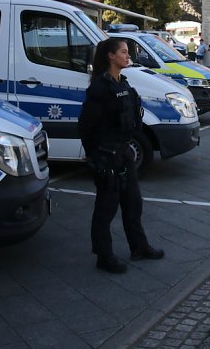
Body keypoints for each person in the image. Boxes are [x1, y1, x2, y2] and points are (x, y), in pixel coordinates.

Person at [77, 37, 164, 274]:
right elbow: (86, 126)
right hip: (107, 157)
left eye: (128, 52)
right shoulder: (99, 88)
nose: (128, 56)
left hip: (124, 153)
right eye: (124, 52)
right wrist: (94, 156)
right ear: (111, 56)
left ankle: (140, 248)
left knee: (133, 204)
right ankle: (103, 256)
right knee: (106, 209)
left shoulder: (124, 85)